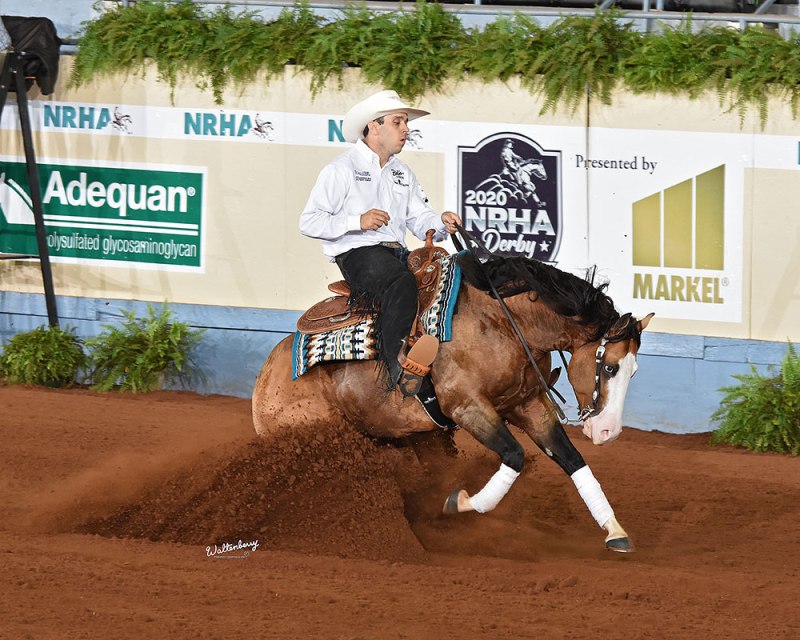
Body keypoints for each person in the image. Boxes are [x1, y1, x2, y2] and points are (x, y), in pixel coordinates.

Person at [300, 89, 461, 395]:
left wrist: (441, 223)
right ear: (374, 126)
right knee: (399, 282)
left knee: (448, 278)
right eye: (398, 122)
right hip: (358, 255)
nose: (406, 129)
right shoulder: (341, 169)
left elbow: (420, 218)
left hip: (395, 254)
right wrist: (356, 221)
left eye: (405, 122)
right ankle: (398, 369)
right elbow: (309, 221)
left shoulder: (403, 173)